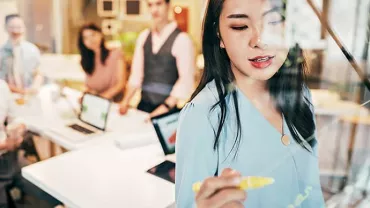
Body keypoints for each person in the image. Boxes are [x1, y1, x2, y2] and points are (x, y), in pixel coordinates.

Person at [175, 0, 325, 207]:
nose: (260, 41)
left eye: (274, 22)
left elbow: (313, 194)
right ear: (219, 35)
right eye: (240, 26)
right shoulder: (202, 115)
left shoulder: (301, 96)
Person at [119, 0, 195, 117]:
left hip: (167, 111)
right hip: (143, 106)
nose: (154, 10)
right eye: (150, 5)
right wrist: (125, 101)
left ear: (168, 5)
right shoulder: (143, 37)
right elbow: (136, 76)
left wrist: (164, 108)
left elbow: (185, 81)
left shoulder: (182, 39)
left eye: (158, 4)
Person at [0, 80, 60, 208]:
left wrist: (19, 127)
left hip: (12, 157)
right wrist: (4, 145)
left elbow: (15, 116)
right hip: (5, 150)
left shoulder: (2, 86)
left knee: (51, 194)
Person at [78, 23, 126, 102]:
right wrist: (87, 93)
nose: (90, 40)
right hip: (96, 102)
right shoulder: (87, 60)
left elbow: (121, 84)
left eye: (93, 35)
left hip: (114, 103)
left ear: (100, 34)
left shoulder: (115, 54)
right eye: (86, 38)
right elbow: (87, 84)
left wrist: (100, 99)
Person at [0, 14, 43, 95]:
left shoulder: (32, 50)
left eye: (19, 27)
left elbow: (38, 73)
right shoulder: (1, 52)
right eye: (12, 27)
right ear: (5, 28)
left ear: (24, 28)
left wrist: (34, 87)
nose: (16, 31)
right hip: (7, 97)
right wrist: (21, 92)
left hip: (30, 96)